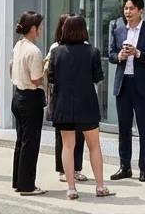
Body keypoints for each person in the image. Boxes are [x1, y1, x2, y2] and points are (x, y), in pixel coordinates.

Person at [48, 14, 113, 200]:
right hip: (87, 103)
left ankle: (71, 188)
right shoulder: (92, 51)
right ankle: (100, 186)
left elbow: (51, 78)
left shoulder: (56, 52)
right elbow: (98, 77)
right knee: (94, 145)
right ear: (84, 30)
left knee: (67, 146)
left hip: (63, 104)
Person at [107, 0, 145, 182]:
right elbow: (111, 54)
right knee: (124, 128)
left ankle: (144, 169)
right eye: (126, 9)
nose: (127, 12)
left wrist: (138, 53)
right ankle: (125, 167)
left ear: (140, 10)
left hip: (142, 85)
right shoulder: (119, 30)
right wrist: (119, 56)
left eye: (131, 9)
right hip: (123, 83)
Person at [46, 13, 86, 184]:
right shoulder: (56, 48)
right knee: (62, 136)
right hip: (62, 97)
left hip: (81, 98)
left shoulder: (85, 47)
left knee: (80, 135)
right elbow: (51, 75)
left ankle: (76, 168)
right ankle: (63, 169)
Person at [10, 11, 46, 196]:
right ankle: (27, 185)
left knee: (21, 141)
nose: (42, 29)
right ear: (33, 29)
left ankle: (18, 181)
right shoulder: (34, 51)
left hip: (17, 95)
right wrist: (46, 68)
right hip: (30, 98)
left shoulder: (19, 45)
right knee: (30, 143)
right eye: (40, 26)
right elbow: (36, 80)